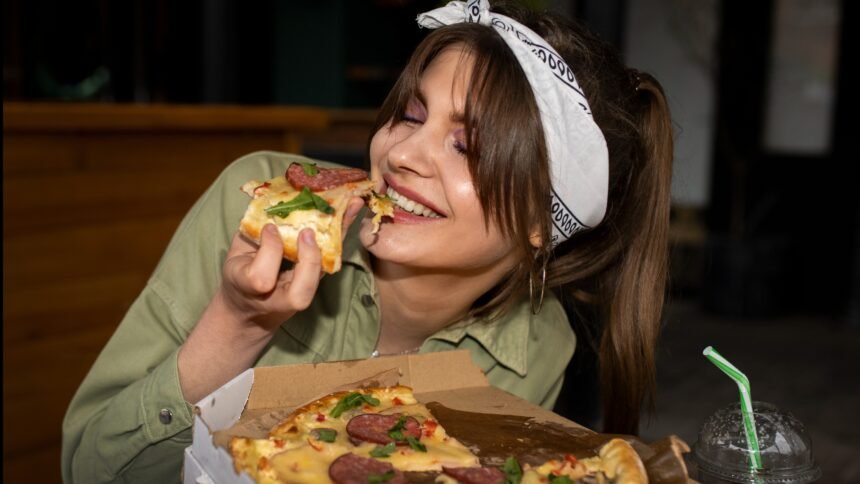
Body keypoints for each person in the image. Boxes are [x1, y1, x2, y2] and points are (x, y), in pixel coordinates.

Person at [61, 1, 673, 482]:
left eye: (469, 147)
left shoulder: (539, 345)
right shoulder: (256, 209)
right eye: (411, 114)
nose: (401, 154)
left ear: (541, 223)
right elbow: (89, 473)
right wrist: (237, 323)